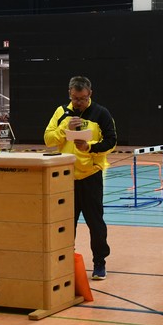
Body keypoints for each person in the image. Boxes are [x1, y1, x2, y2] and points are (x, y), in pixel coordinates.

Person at [44, 76, 117, 280]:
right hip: (64, 179)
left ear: (90, 94)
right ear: (69, 93)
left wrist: (89, 147)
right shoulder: (61, 112)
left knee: (95, 223)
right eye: (75, 98)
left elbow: (111, 141)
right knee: (66, 223)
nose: (79, 103)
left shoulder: (101, 113)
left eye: (83, 98)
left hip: (90, 176)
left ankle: (99, 263)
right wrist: (64, 128)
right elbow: (48, 139)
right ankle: (65, 261)